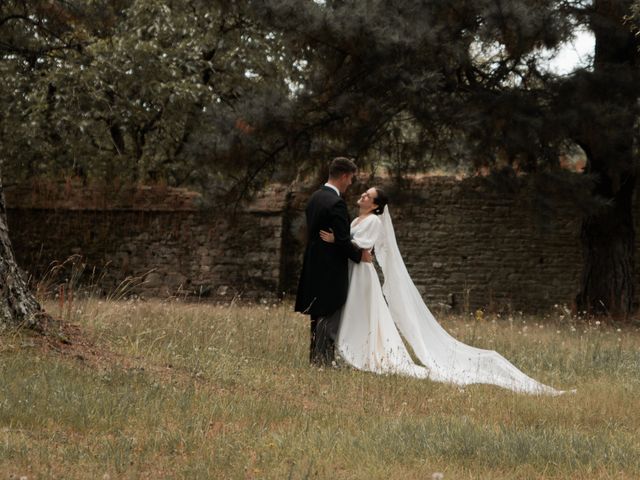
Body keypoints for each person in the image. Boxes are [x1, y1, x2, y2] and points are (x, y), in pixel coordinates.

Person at [320, 187, 569, 395]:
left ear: (375, 206)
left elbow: (363, 248)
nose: (363, 196)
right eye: (364, 193)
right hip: (352, 270)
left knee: (362, 313)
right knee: (353, 312)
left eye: (368, 196)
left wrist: (337, 242)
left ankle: (362, 351)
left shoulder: (374, 221)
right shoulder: (355, 220)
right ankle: (350, 347)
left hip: (362, 274)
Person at [295, 157, 372, 366]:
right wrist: (360, 255)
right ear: (345, 176)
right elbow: (343, 241)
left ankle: (316, 359)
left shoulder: (315, 198)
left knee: (317, 314)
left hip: (314, 265)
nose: (350, 184)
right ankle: (323, 361)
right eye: (350, 179)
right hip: (331, 269)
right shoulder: (336, 203)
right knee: (329, 313)